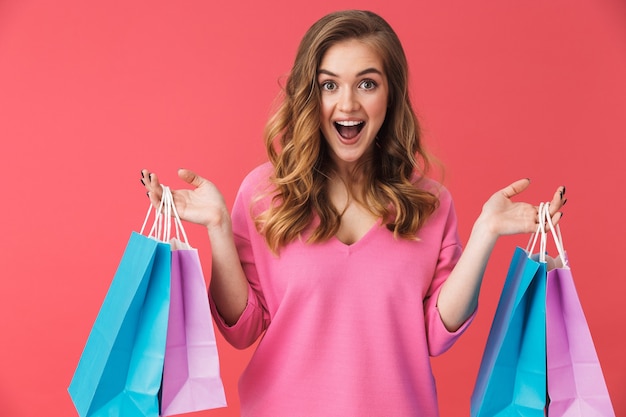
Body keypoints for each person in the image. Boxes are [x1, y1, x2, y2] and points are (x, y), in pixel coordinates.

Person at [141, 9, 566, 417]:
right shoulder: (264, 194)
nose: (347, 105)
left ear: (391, 93)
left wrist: (485, 233)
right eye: (329, 85)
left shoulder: (430, 204)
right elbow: (242, 328)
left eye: (367, 84)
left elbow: (436, 334)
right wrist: (217, 225)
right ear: (311, 94)